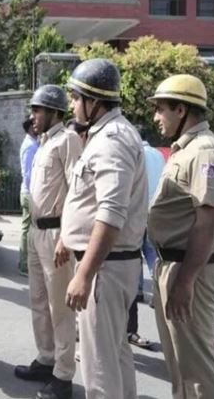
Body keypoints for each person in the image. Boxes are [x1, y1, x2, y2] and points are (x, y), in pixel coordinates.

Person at [56, 58, 148, 399]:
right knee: (115, 355)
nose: (72, 105)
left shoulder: (111, 140)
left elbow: (111, 213)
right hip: (110, 265)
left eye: (75, 98)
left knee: (98, 370)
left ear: (93, 102)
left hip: (104, 269)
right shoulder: (107, 135)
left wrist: (84, 274)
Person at [148, 74, 214, 399]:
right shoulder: (188, 149)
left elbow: (207, 222)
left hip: (190, 271)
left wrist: (184, 282)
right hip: (175, 265)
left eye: (161, 109)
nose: (156, 117)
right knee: (180, 366)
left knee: (196, 371)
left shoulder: (205, 151)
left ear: (181, 109)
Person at [14, 85, 83, 399]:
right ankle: (46, 358)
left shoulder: (68, 140)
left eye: (38, 109)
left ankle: (63, 376)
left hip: (56, 234)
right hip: (36, 232)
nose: (33, 115)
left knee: (60, 309)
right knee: (39, 301)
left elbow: (76, 192)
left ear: (55, 111)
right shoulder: (44, 142)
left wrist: (67, 237)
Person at [126, 125, 166, 350]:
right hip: (155, 211)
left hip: (137, 211)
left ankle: (139, 290)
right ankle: (159, 289)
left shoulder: (134, 152)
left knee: (133, 255)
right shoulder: (158, 155)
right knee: (151, 254)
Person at [19, 116, 40, 276]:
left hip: (29, 191)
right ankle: (24, 265)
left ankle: (25, 262)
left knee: (28, 228)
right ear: (31, 128)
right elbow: (27, 174)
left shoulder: (33, 143)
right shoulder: (30, 146)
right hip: (29, 192)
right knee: (27, 230)